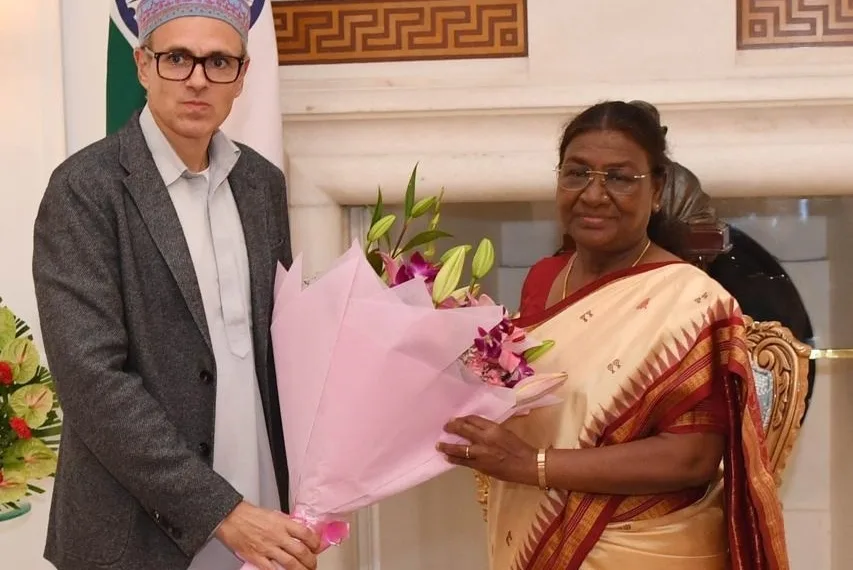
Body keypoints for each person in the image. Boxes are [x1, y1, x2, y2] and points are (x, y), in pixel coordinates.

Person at [437, 101, 790, 569]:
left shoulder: (693, 299)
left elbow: (692, 459)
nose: (594, 194)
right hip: (534, 532)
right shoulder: (544, 278)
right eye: (576, 173)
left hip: (644, 548)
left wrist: (533, 464)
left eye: (620, 177)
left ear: (658, 190)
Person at [31, 1, 319, 569]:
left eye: (218, 63)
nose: (196, 79)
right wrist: (221, 513)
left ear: (242, 76)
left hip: (260, 500)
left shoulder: (262, 184)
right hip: (135, 529)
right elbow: (93, 382)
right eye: (177, 58)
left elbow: (281, 345)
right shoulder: (85, 189)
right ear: (142, 65)